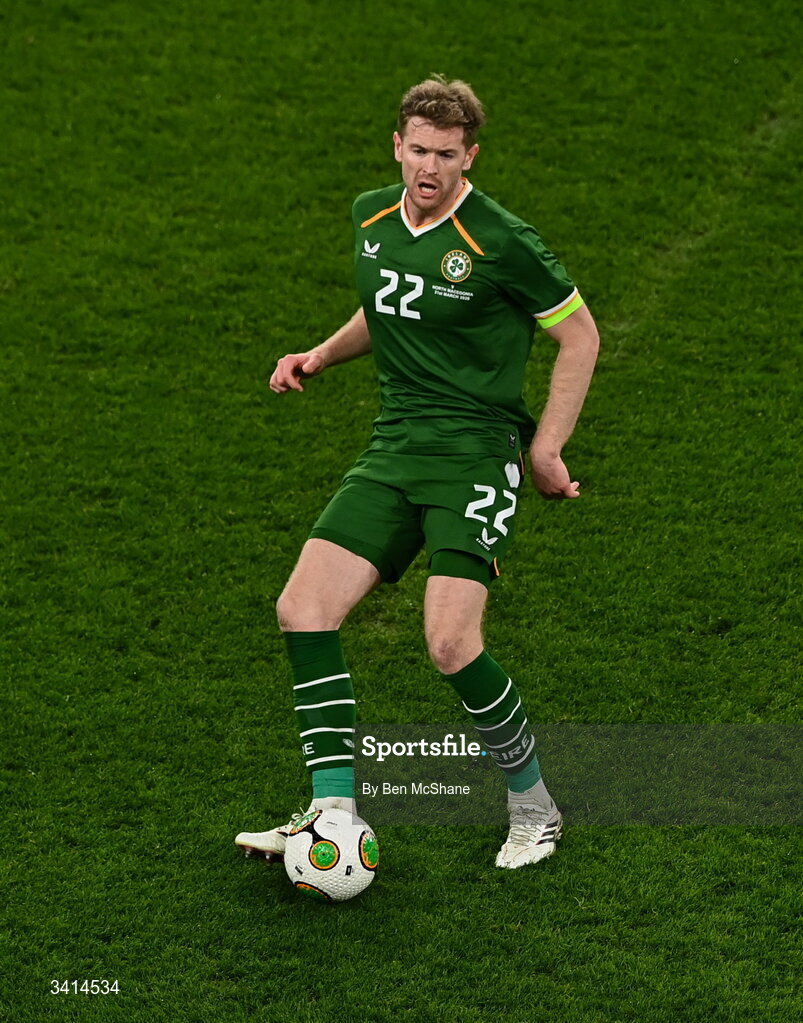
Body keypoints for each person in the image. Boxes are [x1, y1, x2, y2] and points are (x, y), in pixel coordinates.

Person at [236, 76, 599, 870]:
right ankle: (329, 813)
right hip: (394, 445)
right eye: (417, 151)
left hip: (472, 453)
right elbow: (389, 303)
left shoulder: (499, 239)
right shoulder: (371, 216)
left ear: (469, 155)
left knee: (448, 641)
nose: (428, 167)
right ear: (396, 146)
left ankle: (534, 807)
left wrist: (543, 450)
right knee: (302, 607)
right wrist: (321, 354)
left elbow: (580, 336)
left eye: (446, 154)